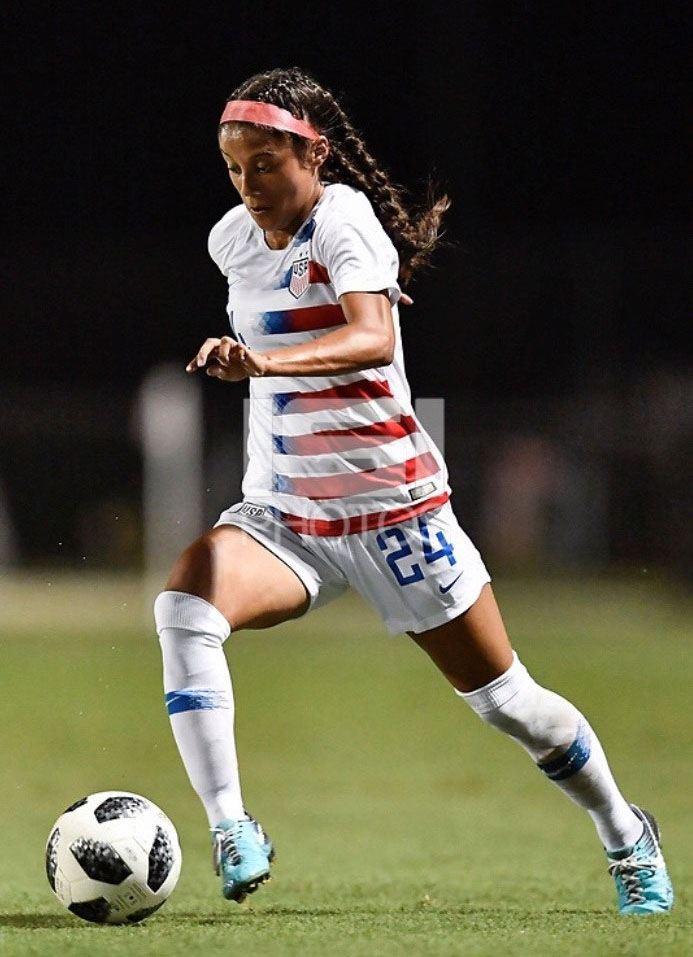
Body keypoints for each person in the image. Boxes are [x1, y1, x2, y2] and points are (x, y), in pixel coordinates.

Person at [153, 67, 673, 915]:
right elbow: (269, 338)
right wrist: (234, 354)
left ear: (313, 154)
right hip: (288, 514)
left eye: (265, 164)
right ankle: (231, 825)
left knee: (511, 706)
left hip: (396, 515)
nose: (249, 186)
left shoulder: (344, 220)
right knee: (184, 608)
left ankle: (625, 832)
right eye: (233, 168)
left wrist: (262, 363)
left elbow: (369, 334)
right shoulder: (231, 242)